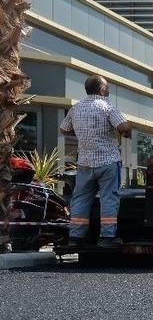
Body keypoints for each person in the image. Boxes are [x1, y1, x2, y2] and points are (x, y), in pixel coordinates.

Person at [59, 75, 132, 248]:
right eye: (107, 87)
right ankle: (107, 237)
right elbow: (123, 128)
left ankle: (75, 238)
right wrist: (127, 132)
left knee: (80, 199)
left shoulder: (76, 108)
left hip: (85, 162)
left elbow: (64, 129)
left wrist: (82, 134)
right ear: (101, 90)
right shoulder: (107, 107)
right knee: (109, 198)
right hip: (108, 161)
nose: (108, 90)